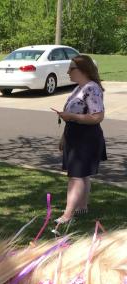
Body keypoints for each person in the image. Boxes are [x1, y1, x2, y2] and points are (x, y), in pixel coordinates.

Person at [52, 54, 106, 226]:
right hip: (74, 136)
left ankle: (68, 215)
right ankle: (82, 205)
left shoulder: (92, 88)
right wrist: (64, 137)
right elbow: (74, 117)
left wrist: (71, 116)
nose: (68, 72)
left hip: (85, 138)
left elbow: (97, 117)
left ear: (83, 70)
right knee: (82, 175)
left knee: (75, 176)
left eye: (71, 68)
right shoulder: (80, 88)